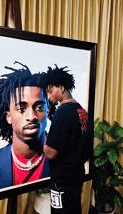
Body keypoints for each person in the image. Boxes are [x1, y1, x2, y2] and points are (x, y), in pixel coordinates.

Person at [0, 62, 51, 194]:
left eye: (39, 107)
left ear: (48, 110)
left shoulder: (67, 159)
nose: (31, 116)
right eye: (21, 109)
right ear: (8, 117)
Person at [42, 65, 91, 214]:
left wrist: (41, 136)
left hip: (62, 181)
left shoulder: (63, 113)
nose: (49, 96)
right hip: (76, 176)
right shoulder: (81, 110)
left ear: (61, 88)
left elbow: (50, 152)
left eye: (50, 91)